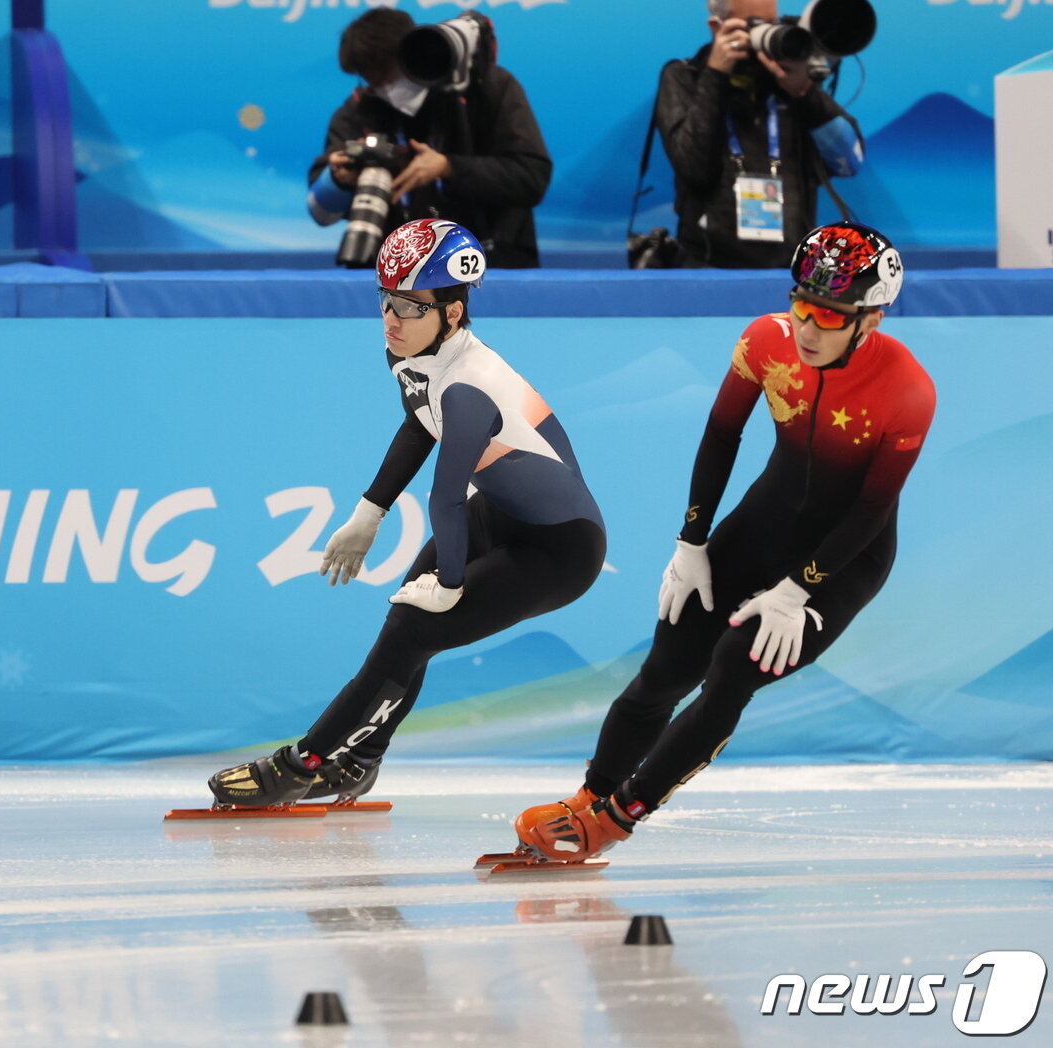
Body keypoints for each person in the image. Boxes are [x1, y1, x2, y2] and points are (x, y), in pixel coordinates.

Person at [513, 223, 935, 861]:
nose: (809, 329)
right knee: (665, 668)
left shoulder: (908, 389)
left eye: (828, 315)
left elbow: (874, 506)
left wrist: (798, 590)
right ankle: (589, 797)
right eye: (801, 306)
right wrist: (691, 542)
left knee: (734, 667)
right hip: (762, 526)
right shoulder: (765, 341)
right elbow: (721, 436)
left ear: (870, 321)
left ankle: (619, 818)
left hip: (845, 556)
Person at [209, 219, 606, 807]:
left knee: (415, 626)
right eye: (386, 300)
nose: (391, 319)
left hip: (561, 551)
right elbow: (419, 423)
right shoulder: (414, 351)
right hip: (500, 514)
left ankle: (304, 764)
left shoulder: (469, 387)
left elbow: (445, 496)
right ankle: (363, 757)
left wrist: (449, 584)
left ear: (452, 313)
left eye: (411, 307)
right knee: (405, 622)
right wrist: (368, 513)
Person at [306, 8, 552, 269]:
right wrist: (339, 180)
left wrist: (449, 168)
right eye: (372, 80)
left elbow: (531, 177)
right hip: (398, 277)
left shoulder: (490, 87)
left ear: (414, 53)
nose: (384, 88)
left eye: (388, 76)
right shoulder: (358, 111)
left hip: (490, 264)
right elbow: (320, 211)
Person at [656, 0, 865, 268]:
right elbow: (694, 168)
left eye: (772, 24)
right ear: (716, 27)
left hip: (791, 270)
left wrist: (806, 94)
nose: (765, 33)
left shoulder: (789, 80)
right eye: (753, 25)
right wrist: (715, 76)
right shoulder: (686, 76)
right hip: (708, 268)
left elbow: (850, 162)